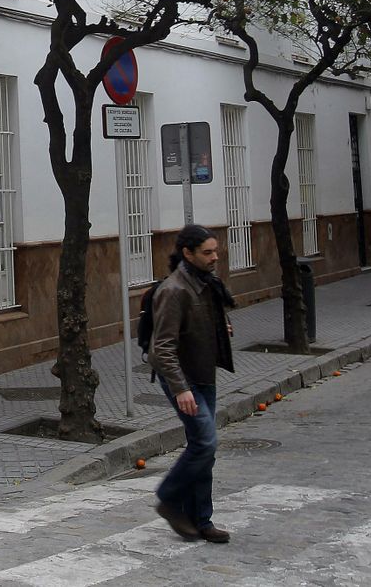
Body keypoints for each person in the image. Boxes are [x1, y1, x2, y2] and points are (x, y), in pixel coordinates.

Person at [148, 224, 236, 545]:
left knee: (203, 448)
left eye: (216, 251)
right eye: (207, 252)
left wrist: (222, 327)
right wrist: (181, 389)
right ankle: (169, 498)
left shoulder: (206, 282)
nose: (215, 257)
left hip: (203, 374)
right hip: (183, 380)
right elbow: (162, 348)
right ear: (188, 253)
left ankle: (201, 520)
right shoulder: (174, 290)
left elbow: (206, 318)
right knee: (205, 443)